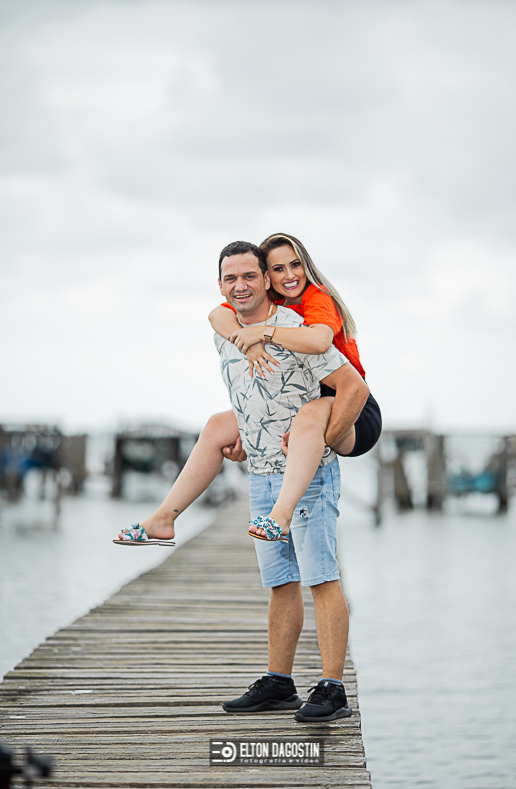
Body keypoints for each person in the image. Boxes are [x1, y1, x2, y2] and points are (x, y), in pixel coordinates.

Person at [114, 234, 380, 545]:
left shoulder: (315, 298)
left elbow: (320, 342)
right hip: (307, 400)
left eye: (295, 265)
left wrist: (324, 442)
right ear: (268, 277)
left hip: (349, 405)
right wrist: (248, 347)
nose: (288, 275)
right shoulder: (269, 298)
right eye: (278, 269)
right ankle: (163, 518)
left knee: (309, 418)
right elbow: (217, 315)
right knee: (217, 426)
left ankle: (281, 516)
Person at [211, 240, 368, 722]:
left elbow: (353, 387)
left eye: (251, 275)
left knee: (322, 575)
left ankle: (333, 688)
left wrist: (324, 441)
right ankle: (278, 682)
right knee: (281, 582)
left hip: (312, 464)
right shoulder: (232, 323)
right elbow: (220, 323)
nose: (242, 285)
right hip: (263, 471)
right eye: (231, 278)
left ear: (264, 280)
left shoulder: (306, 317)